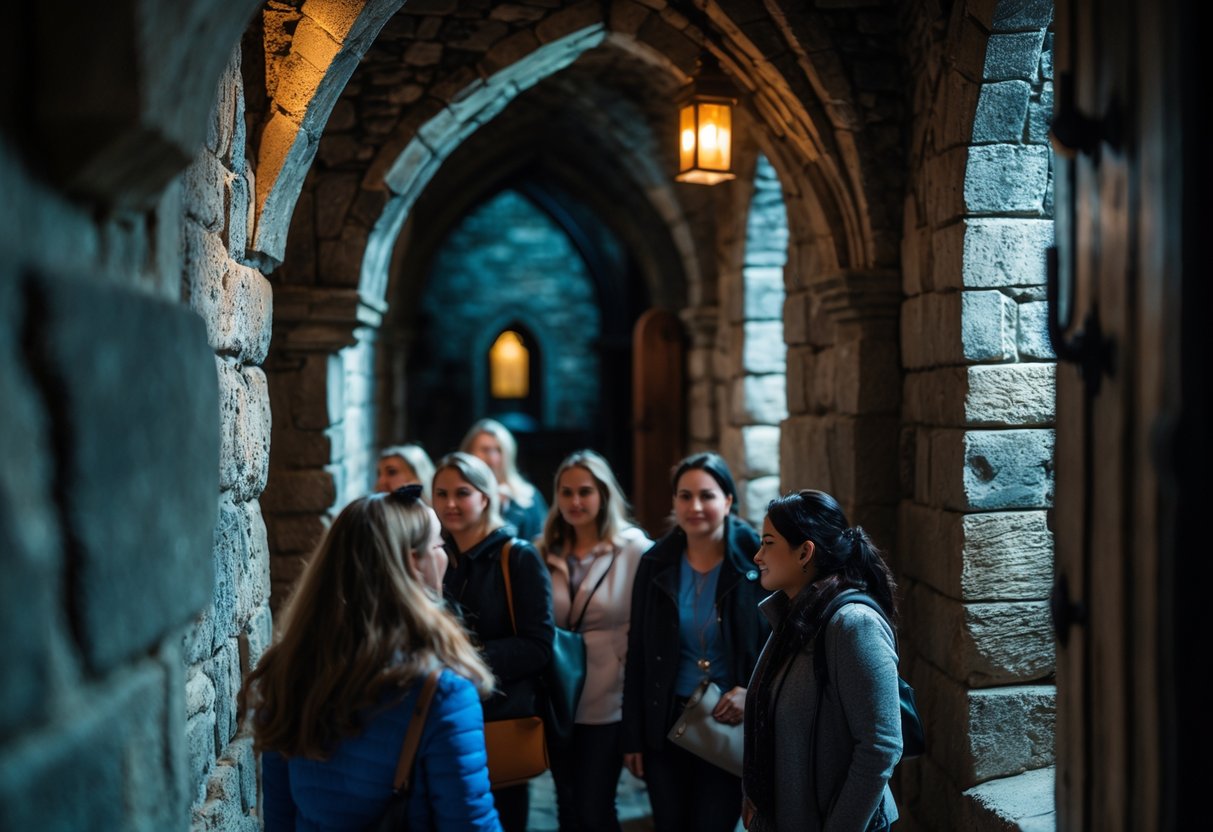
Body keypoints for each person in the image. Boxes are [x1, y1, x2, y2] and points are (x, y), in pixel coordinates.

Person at [240, 485, 502, 832]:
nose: (446, 556)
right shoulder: (441, 694)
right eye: (439, 545)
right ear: (412, 562)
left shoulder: (289, 674)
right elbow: (471, 824)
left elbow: (279, 820)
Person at [621, 452, 768, 832]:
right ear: (674, 502)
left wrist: (750, 692)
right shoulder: (655, 562)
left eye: (707, 495)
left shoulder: (755, 561)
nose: (695, 506)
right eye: (685, 496)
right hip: (667, 720)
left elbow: (780, 644)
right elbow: (637, 651)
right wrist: (633, 737)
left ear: (728, 500)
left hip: (727, 720)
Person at [742, 490, 902, 832]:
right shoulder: (795, 616)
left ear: (805, 551)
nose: (757, 556)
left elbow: (880, 747)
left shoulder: (853, 624)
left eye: (768, 543)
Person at [433, 451, 555, 832]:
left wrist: (465, 660)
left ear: (485, 497)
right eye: (441, 493)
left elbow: (538, 644)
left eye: (462, 492)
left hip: (497, 716)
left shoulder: (516, 556)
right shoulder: (434, 556)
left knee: (500, 817)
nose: (451, 503)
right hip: (441, 715)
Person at [539, 450, 653, 832]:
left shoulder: (633, 549)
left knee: (595, 806)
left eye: (584, 491)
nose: (574, 501)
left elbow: (648, 628)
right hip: (559, 698)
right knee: (566, 805)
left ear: (604, 494)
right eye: (566, 492)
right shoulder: (542, 551)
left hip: (609, 697)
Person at [461, 418, 549, 540]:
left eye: (499, 450)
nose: (492, 458)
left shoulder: (528, 496)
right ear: (469, 453)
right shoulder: (459, 495)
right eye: (485, 450)